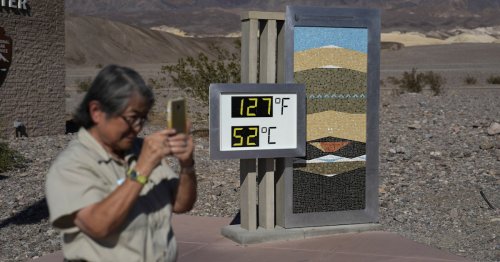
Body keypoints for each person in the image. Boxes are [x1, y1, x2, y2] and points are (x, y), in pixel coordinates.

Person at [45, 65, 197, 261]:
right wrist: (142, 168)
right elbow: (98, 226)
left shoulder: (142, 149)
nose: (137, 128)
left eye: (143, 119)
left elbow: (181, 204)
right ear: (96, 111)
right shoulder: (71, 166)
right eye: (132, 118)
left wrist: (187, 165)